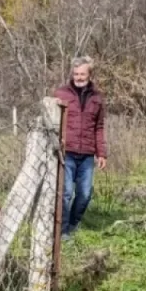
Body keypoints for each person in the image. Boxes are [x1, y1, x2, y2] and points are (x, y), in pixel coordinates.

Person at [54, 56, 108, 237]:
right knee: (66, 193)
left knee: (84, 194)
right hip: (66, 152)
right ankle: (63, 231)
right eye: (76, 74)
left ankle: (73, 225)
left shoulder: (97, 98)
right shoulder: (60, 94)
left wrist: (101, 153)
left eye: (82, 74)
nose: (78, 77)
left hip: (87, 154)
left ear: (89, 75)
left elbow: (99, 127)